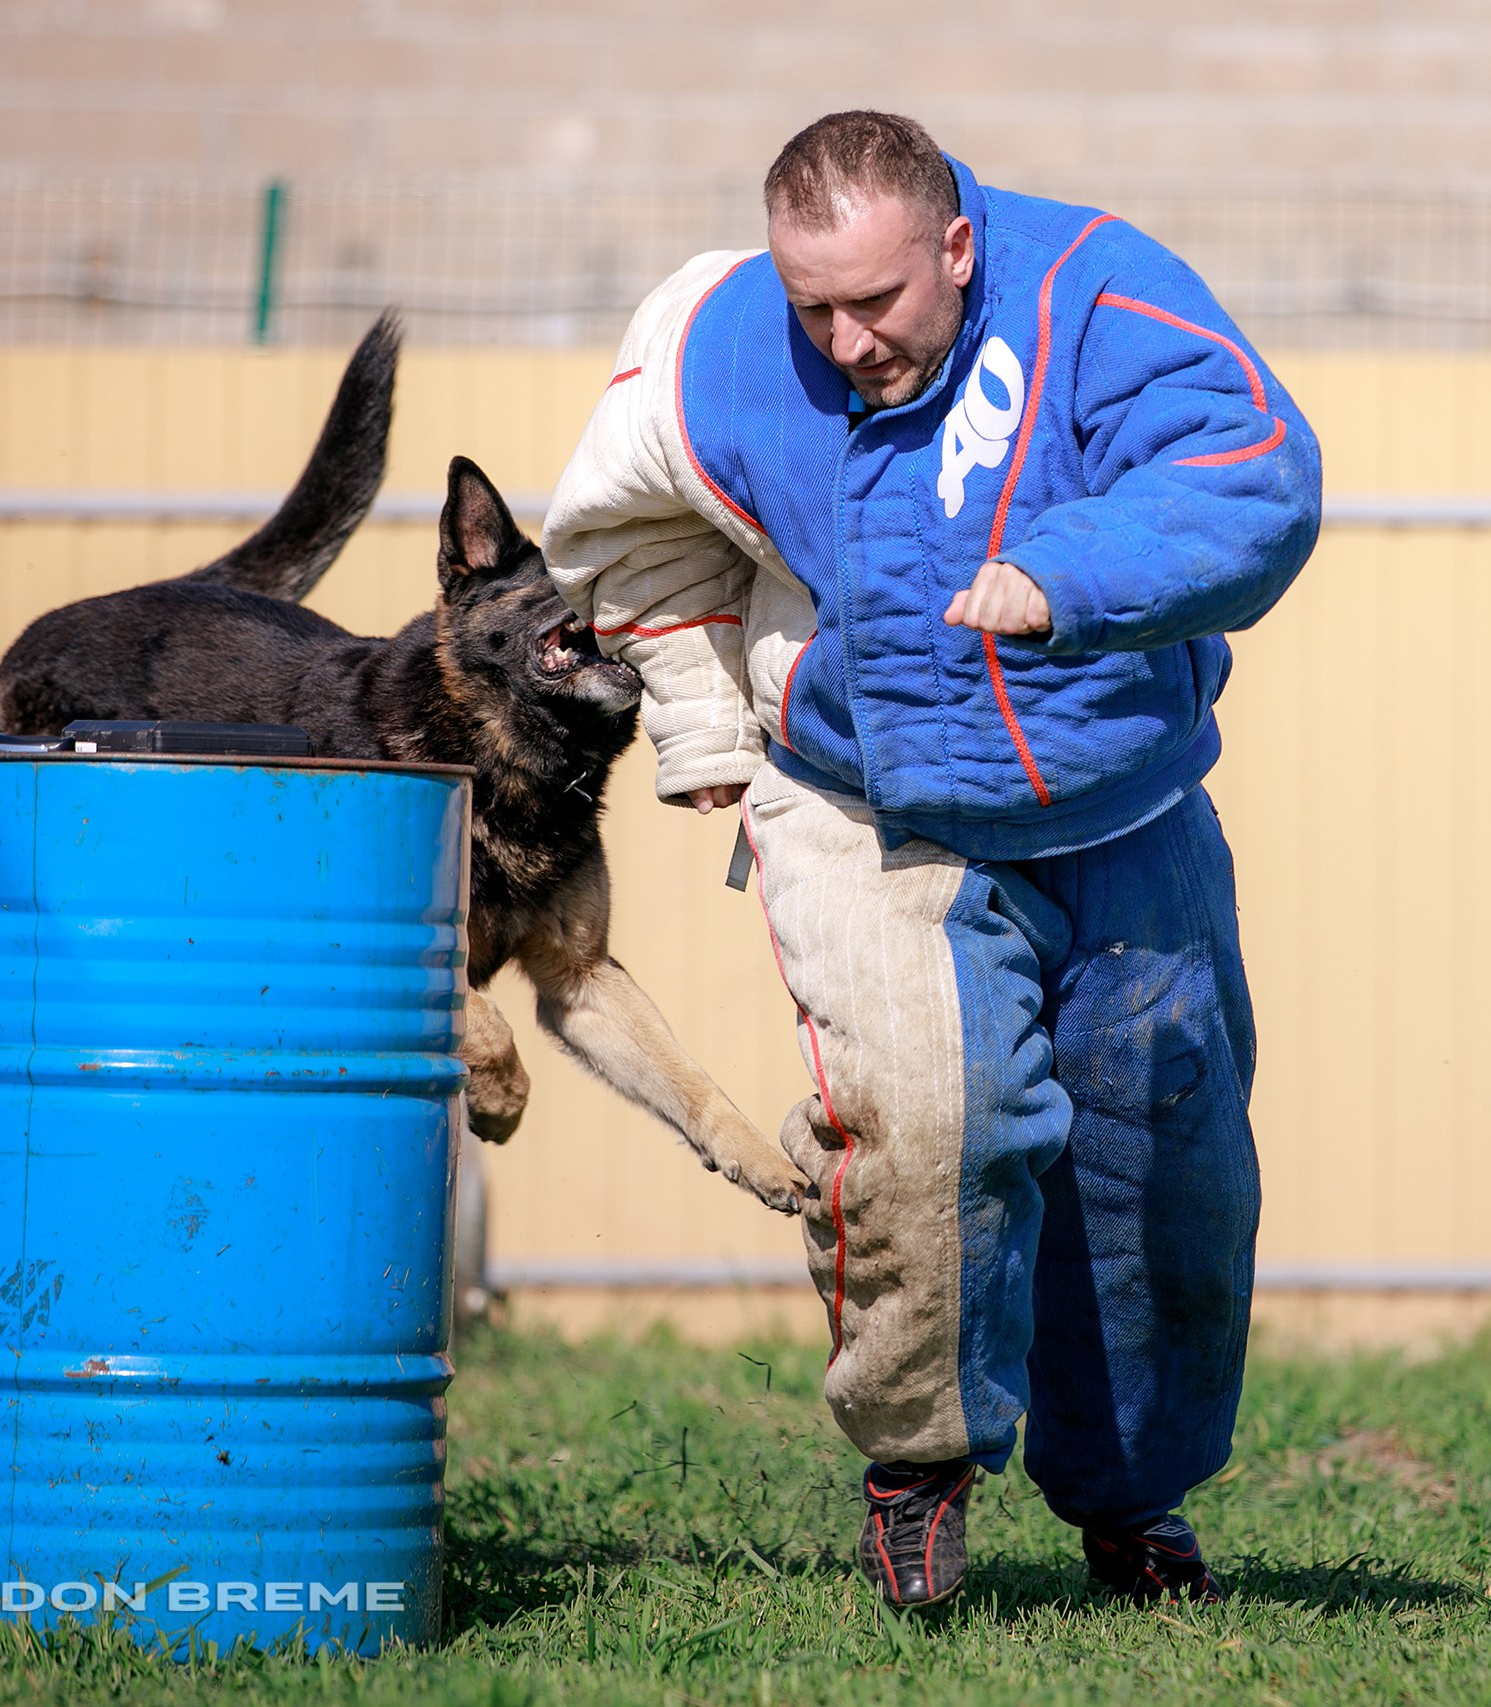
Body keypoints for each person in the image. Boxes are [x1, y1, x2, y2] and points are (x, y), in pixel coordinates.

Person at [543, 110, 1320, 1609]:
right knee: (921, 1125)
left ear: (957, 246)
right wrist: (702, 722)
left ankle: (1131, 1501)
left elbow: (1256, 476)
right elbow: (615, 527)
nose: (843, 341)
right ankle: (916, 1463)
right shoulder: (710, 349)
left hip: (1125, 805)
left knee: (1167, 1165)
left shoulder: (1095, 290)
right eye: (812, 306)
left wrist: (1066, 578)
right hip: (858, 802)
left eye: (880, 303)